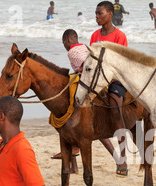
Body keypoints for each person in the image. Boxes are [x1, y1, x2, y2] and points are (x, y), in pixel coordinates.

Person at [53, 29, 124, 167]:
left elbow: (89, 66)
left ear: (67, 40)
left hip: (90, 85)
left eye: (63, 43)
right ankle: (75, 157)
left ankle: (74, 150)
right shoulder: (84, 47)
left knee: (70, 114)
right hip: (99, 80)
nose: (64, 46)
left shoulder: (72, 52)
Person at [90, 1, 129, 176]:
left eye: (100, 13)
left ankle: (123, 156)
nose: (97, 16)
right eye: (96, 14)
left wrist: (105, 84)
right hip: (96, 80)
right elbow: (91, 60)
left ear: (110, 15)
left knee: (115, 109)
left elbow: (121, 63)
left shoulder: (120, 36)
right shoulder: (94, 36)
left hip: (115, 79)